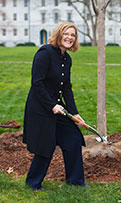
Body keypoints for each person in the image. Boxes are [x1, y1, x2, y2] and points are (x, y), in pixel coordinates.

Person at [23, 22, 90, 191]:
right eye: (66, 34)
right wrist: (51, 105)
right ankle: (33, 183)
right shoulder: (45, 52)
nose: (69, 38)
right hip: (40, 105)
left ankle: (75, 181)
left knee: (73, 138)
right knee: (46, 144)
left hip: (57, 106)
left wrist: (75, 113)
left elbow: (66, 88)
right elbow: (36, 83)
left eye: (73, 35)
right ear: (59, 35)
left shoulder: (67, 59)